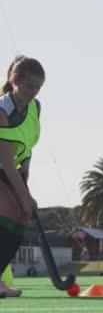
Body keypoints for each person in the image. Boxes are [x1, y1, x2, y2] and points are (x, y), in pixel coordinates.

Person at [0, 55, 44, 297]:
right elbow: (6, 159)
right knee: (10, 210)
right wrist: (24, 196)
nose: (34, 92)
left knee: (23, 214)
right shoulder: (2, 109)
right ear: (15, 80)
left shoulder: (35, 108)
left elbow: (27, 144)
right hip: (3, 165)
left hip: (10, 167)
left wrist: (26, 175)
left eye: (38, 88)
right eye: (30, 86)